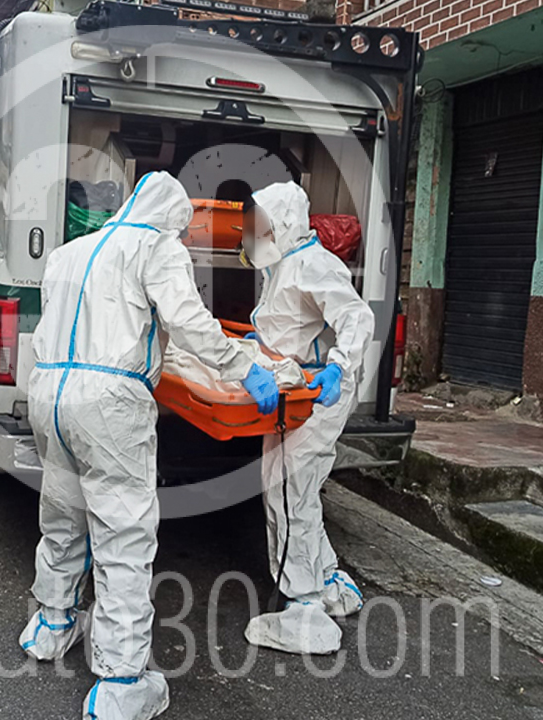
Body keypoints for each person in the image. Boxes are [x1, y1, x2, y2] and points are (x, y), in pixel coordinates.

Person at [19, 171, 279, 720]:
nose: (183, 241)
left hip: (49, 390)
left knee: (62, 514)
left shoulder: (70, 252)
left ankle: (51, 624)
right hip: (109, 403)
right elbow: (188, 322)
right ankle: (120, 681)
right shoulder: (156, 248)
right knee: (123, 535)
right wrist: (245, 367)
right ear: (171, 220)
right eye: (183, 231)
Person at [238, 182, 375, 656]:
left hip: (318, 390)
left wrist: (339, 367)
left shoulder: (312, 265)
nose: (251, 234)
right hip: (296, 389)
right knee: (285, 484)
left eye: (259, 226)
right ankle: (328, 580)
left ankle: (305, 607)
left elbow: (357, 317)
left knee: (291, 489)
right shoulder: (283, 265)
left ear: (284, 224)